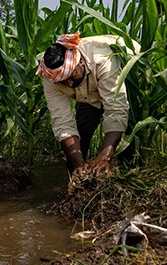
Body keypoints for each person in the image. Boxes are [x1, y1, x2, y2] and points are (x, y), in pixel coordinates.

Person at [36, 32, 137, 177]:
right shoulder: (51, 76)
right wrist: (79, 164)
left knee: (128, 137)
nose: (69, 84)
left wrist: (104, 157)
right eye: (63, 82)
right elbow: (63, 122)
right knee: (77, 145)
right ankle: (77, 180)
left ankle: (126, 174)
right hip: (88, 93)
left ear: (80, 62)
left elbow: (116, 110)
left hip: (124, 79)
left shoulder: (103, 60)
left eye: (71, 77)